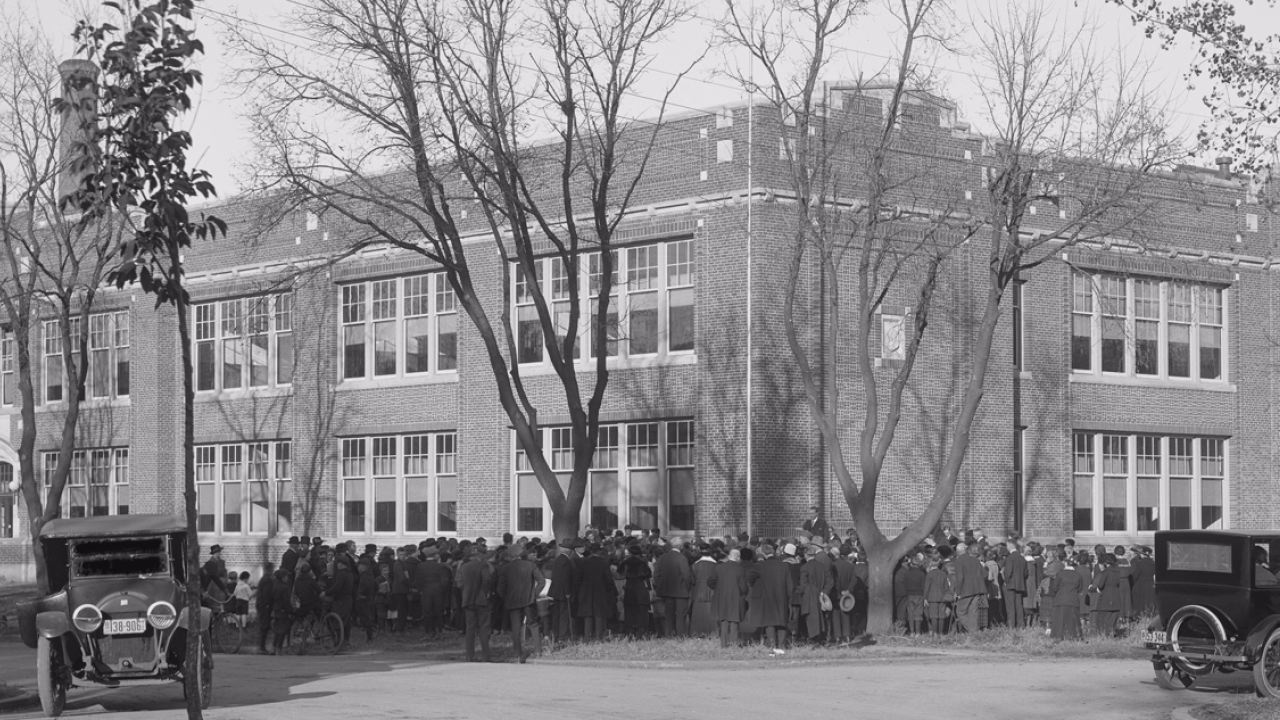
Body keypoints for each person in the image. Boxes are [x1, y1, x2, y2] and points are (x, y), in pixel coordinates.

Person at [495, 545, 545, 663]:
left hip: (512, 601)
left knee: (516, 628)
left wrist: (505, 597)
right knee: (533, 625)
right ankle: (538, 651)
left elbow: (500, 588)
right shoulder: (531, 565)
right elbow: (541, 581)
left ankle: (518, 654)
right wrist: (535, 594)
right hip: (529, 600)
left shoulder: (506, 568)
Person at [746, 543, 793, 654]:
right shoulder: (784, 566)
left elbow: (749, 577)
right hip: (782, 597)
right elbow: (790, 585)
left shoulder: (760, 566)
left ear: (762, 553)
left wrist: (755, 586)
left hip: (767, 597)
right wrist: (789, 597)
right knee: (782, 621)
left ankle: (772, 646)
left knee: (770, 622)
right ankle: (781, 647)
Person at [455, 545, 494, 662]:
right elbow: (487, 580)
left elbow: (459, 583)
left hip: (467, 599)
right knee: (484, 627)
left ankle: (469, 655)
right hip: (481, 599)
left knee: (470, 628)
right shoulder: (483, 566)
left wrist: (465, 591)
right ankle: (485, 655)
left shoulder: (463, 567)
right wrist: (487, 592)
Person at [574, 543, 617, 641]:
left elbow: (578, 578)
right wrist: (610, 590)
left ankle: (587, 637)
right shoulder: (603, 562)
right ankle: (598, 637)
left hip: (586, 590)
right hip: (600, 590)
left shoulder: (583, 562)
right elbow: (608, 579)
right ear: (599, 551)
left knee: (587, 614)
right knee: (599, 614)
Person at [653, 538, 692, 637]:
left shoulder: (663, 558)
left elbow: (656, 575)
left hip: (667, 591)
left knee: (668, 616)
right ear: (681, 546)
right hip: (681, 592)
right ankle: (680, 636)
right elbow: (686, 575)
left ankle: (668, 635)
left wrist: (660, 587)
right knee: (680, 616)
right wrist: (687, 588)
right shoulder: (682, 558)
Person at [710, 548, 747, 647]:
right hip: (736, 597)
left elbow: (710, 581)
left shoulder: (719, 567)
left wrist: (717, 589)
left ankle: (724, 644)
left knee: (724, 620)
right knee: (734, 621)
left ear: (729, 556)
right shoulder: (740, 569)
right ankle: (733, 644)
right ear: (738, 557)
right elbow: (743, 587)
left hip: (721, 597)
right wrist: (744, 593)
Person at [549, 539, 580, 643]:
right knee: (563, 615)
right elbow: (565, 578)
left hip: (556, 591)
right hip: (563, 593)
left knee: (556, 614)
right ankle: (562, 636)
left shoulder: (558, 559)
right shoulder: (566, 561)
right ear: (569, 551)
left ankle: (555, 634)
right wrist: (567, 592)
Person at [619, 543, 653, 638]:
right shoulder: (642, 563)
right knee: (642, 613)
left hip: (629, 588)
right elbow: (648, 575)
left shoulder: (625, 562)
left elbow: (620, 574)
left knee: (629, 613)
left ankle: (630, 633)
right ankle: (641, 633)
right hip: (640, 589)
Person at [951, 543, 987, 632]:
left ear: (957, 552)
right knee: (973, 613)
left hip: (965, 591)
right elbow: (985, 574)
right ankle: (974, 634)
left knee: (960, 612)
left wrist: (958, 592)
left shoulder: (959, 561)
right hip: (978, 590)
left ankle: (973, 631)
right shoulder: (975, 560)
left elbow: (960, 578)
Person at [1049, 552, 1084, 641]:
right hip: (1073, 600)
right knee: (1073, 621)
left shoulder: (1060, 574)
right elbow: (1080, 589)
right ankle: (1073, 637)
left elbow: (1054, 587)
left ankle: (1058, 637)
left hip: (1060, 600)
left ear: (1066, 563)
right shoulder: (1078, 575)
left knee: (1059, 621)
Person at [690, 546, 719, 638]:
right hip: (712, 593)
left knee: (698, 614)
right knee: (711, 615)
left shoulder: (695, 565)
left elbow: (692, 580)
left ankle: (697, 633)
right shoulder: (716, 565)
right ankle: (712, 633)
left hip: (698, 592)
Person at [255, 562, 276, 653]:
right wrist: (268, 604)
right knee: (264, 626)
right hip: (265, 605)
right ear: (270, 569)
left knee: (264, 626)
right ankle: (261, 647)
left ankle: (262, 646)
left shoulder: (264, 579)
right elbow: (267, 594)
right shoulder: (267, 580)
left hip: (262, 604)